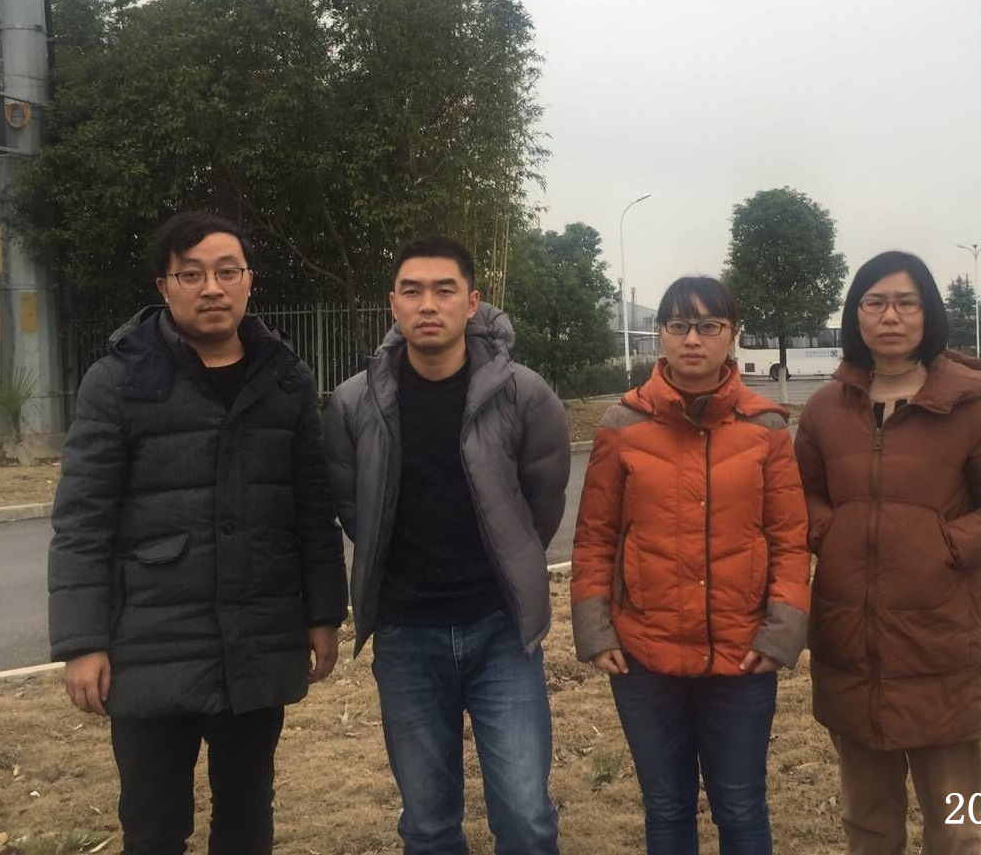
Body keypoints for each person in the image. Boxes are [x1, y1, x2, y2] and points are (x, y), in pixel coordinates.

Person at [47, 211, 348, 855]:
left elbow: (311, 509)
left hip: (257, 640)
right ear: (165, 286)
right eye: (192, 274)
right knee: (154, 826)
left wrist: (324, 614)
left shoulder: (285, 379)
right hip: (150, 646)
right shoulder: (119, 381)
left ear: (248, 280)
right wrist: (82, 642)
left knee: (247, 817)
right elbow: (82, 522)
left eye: (227, 271)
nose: (212, 288)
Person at [324, 236, 570, 855]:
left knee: (526, 818)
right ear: (393, 304)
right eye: (412, 291)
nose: (427, 304)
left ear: (472, 302)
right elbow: (355, 509)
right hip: (406, 636)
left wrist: (508, 561)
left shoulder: (523, 393)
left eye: (444, 290)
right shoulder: (354, 403)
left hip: (501, 630)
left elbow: (542, 503)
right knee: (428, 824)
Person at [793, 251, 981, 855]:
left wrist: (945, 546)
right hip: (852, 643)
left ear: (928, 313)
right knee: (868, 824)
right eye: (874, 302)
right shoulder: (825, 410)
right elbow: (804, 494)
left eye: (906, 302)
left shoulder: (970, 409)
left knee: (955, 829)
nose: (890, 316)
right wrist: (831, 533)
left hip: (941, 642)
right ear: (855, 315)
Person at [571, 275, 810, 855]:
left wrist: (781, 633)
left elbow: (789, 539)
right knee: (667, 806)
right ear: (660, 334)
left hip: (741, 655)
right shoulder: (622, 425)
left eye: (709, 326)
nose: (693, 339)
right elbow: (595, 537)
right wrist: (596, 630)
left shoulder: (767, 428)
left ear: (733, 334)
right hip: (644, 655)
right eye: (679, 326)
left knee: (741, 805)